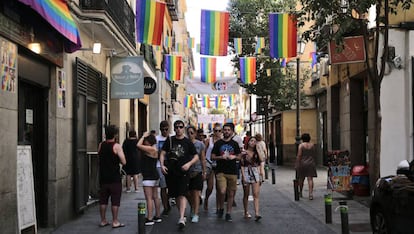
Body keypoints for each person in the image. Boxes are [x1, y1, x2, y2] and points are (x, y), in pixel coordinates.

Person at [160, 120, 199, 229]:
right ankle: (182, 214)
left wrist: (189, 164)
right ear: (174, 128)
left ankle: (181, 217)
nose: (178, 129)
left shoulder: (187, 142)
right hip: (171, 172)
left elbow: (196, 156)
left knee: (182, 193)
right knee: (176, 195)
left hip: (183, 172)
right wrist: (162, 165)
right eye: (176, 127)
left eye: (180, 127)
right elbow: (162, 153)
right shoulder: (170, 140)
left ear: (183, 128)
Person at [211, 123, 242, 222]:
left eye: (229, 130)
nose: (226, 132)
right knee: (222, 191)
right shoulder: (218, 143)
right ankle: (221, 207)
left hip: (232, 171)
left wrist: (234, 157)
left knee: (231, 193)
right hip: (221, 171)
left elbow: (239, 156)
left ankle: (228, 213)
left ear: (232, 132)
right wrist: (221, 157)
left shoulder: (235, 144)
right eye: (225, 130)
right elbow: (212, 157)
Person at [98, 125, 126, 228]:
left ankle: (103, 220)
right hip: (114, 177)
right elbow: (124, 161)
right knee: (115, 200)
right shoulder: (117, 146)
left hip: (103, 177)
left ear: (105, 134)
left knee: (103, 200)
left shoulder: (101, 145)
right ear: (115, 135)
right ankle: (115, 221)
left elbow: (99, 156)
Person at [137, 132, 162, 225]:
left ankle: (150, 218)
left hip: (148, 176)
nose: (144, 142)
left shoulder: (150, 149)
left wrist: (143, 136)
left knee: (148, 198)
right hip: (154, 175)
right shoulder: (155, 149)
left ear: (149, 141)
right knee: (155, 197)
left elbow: (138, 145)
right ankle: (158, 216)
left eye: (145, 141)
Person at [185, 126, 206, 223]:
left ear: (195, 133)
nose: (190, 135)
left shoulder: (200, 144)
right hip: (186, 171)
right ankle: (192, 207)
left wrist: (204, 171)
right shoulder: (185, 143)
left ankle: (196, 213)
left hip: (197, 170)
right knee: (188, 193)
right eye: (188, 133)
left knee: (196, 193)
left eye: (192, 133)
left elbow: (202, 158)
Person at [240, 137, 264, 221]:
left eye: (254, 141)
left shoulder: (256, 153)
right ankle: (246, 211)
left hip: (255, 172)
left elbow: (261, 161)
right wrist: (243, 176)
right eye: (251, 141)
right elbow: (242, 165)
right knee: (246, 194)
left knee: (256, 194)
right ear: (248, 142)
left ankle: (257, 213)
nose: (253, 142)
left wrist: (261, 174)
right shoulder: (244, 153)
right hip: (246, 171)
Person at [203, 123, 222, 212]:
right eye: (215, 130)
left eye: (219, 131)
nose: (217, 132)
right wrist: (203, 161)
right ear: (213, 131)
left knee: (219, 187)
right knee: (210, 187)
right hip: (209, 163)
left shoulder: (222, 141)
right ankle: (206, 199)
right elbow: (203, 151)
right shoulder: (208, 140)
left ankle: (218, 206)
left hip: (219, 164)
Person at [155, 121, 172, 216]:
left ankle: (168, 201)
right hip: (159, 165)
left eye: (166, 129)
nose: (165, 131)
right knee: (163, 187)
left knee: (171, 187)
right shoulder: (157, 139)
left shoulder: (172, 138)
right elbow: (155, 152)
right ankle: (165, 207)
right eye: (163, 129)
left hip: (171, 165)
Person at [295, 133, 317, 200]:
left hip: (302, 164)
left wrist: (297, 163)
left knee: (301, 179)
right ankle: (310, 194)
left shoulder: (301, 146)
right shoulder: (312, 145)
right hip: (311, 163)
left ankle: (300, 192)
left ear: (302, 139)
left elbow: (299, 155)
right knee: (310, 179)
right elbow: (314, 154)